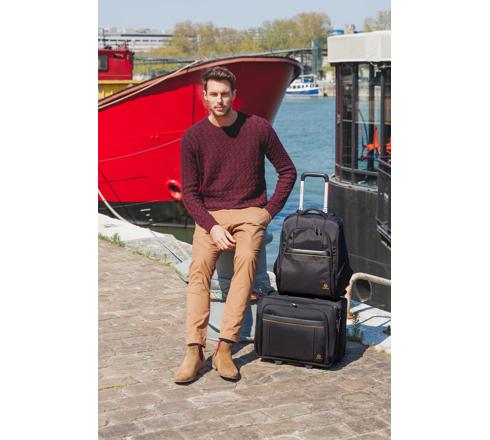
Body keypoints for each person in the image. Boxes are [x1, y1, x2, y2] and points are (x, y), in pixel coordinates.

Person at [174, 66, 297, 383]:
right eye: (214, 94)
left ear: (234, 95)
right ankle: (194, 351)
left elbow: (287, 171)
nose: (219, 100)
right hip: (211, 217)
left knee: (245, 262)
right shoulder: (193, 138)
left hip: (250, 213)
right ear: (204, 96)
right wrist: (212, 226)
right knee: (199, 270)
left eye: (225, 94)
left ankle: (225, 347)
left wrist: (267, 213)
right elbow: (190, 194)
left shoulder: (258, 128)